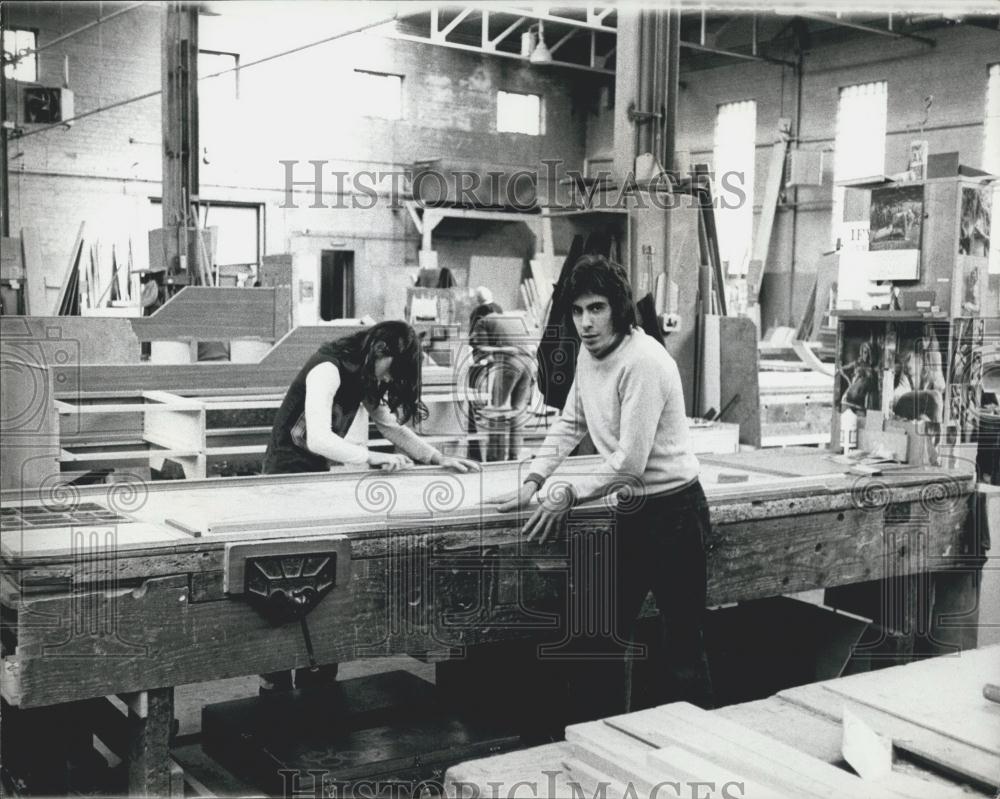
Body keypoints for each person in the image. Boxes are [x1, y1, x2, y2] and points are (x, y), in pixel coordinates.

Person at [489, 254, 714, 721]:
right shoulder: (589, 356)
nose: (585, 323)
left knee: (682, 646)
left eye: (596, 309)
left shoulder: (644, 360)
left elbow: (629, 461)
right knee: (598, 636)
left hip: (674, 512)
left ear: (617, 307)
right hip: (631, 512)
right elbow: (569, 423)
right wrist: (534, 479)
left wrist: (569, 493)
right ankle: (602, 742)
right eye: (577, 311)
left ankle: (692, 757)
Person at [260, 320, 479, 692]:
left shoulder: (364, 375)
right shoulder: (328, 369)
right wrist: (369, 457)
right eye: (391, 372)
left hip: (317, 482)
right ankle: (276, 676)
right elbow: (318, 438)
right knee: (284, 577)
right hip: (285, 481)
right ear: (379, 352)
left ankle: (319, 671)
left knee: (322, 577)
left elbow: (391, 427)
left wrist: (436, 458)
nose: (390, 382)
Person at [469, 310, 537, 460]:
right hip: (529, 363)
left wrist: (482, 355)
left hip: (511, 363)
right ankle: (514, 455)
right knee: (518, 411)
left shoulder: (482, 322)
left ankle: (495, 456)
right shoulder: (510, 318)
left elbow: (482, 349)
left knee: (497, 409)